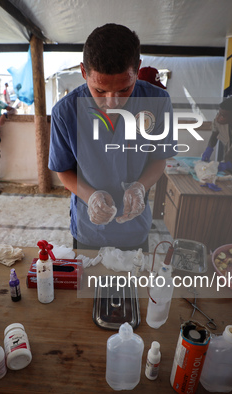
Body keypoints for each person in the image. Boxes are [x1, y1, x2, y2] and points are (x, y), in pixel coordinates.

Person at [49, 24, 176, 251]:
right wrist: (91, 196)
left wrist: (139, 187)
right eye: (99, 91)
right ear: (83, 72)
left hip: (135, 227)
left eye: (125, 89)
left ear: (137, 69)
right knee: (88, 283)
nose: (112, 102)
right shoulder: (65, 112)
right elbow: (63, 170)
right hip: (89, 226)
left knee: (134, 283)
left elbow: (159, 159)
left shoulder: (158, 101)